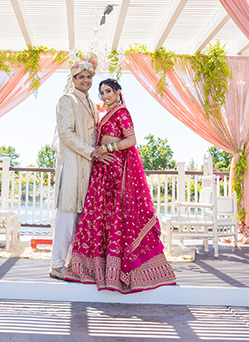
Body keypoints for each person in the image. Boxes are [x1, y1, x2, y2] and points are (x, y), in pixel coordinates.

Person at [64, 78, 176, 293]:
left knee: (116, 215)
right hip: (103, 169)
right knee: (102, 216)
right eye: (102, 93)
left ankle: (120, 270)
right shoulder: (109, 112)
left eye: (108, 92)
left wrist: (105, 150)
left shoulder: (122, 112)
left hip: (114, 169)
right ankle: (99, 268)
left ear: (117, 92)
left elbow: (131, 140)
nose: (105, 96)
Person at [49, 54, 107, 280]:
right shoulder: (67, 100)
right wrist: (91, 151)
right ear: (73, 79)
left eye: (88, 76)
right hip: (73, 167)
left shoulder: (92, 104)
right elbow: (65, 134)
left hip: (89, 168)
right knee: (67, 217)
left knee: (82, 220)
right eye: (80, 76)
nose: (85, 80)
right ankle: (56, 265)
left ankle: (75, 265)